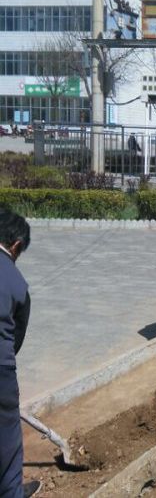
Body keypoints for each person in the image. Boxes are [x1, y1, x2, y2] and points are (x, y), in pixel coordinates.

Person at [0, 209, 40, 497]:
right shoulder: (18, 285)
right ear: (15, 246)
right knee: (8, 437)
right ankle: (12, 492)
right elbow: (16, 338)